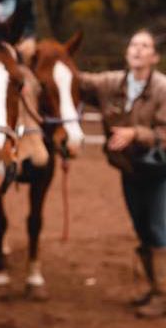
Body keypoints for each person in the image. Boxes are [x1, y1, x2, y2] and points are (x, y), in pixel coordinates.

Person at [80, 29, 166, 319]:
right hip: (130, 171)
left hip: (159, 172)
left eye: (145, 46)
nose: (138, 50)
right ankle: (152, 288)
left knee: (158, 230)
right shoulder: (110, 83)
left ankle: (162, 295)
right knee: (142, 228)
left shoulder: (163, 88)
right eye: (133, 44)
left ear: (154, 57)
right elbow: (77, 80)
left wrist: (135, 133)